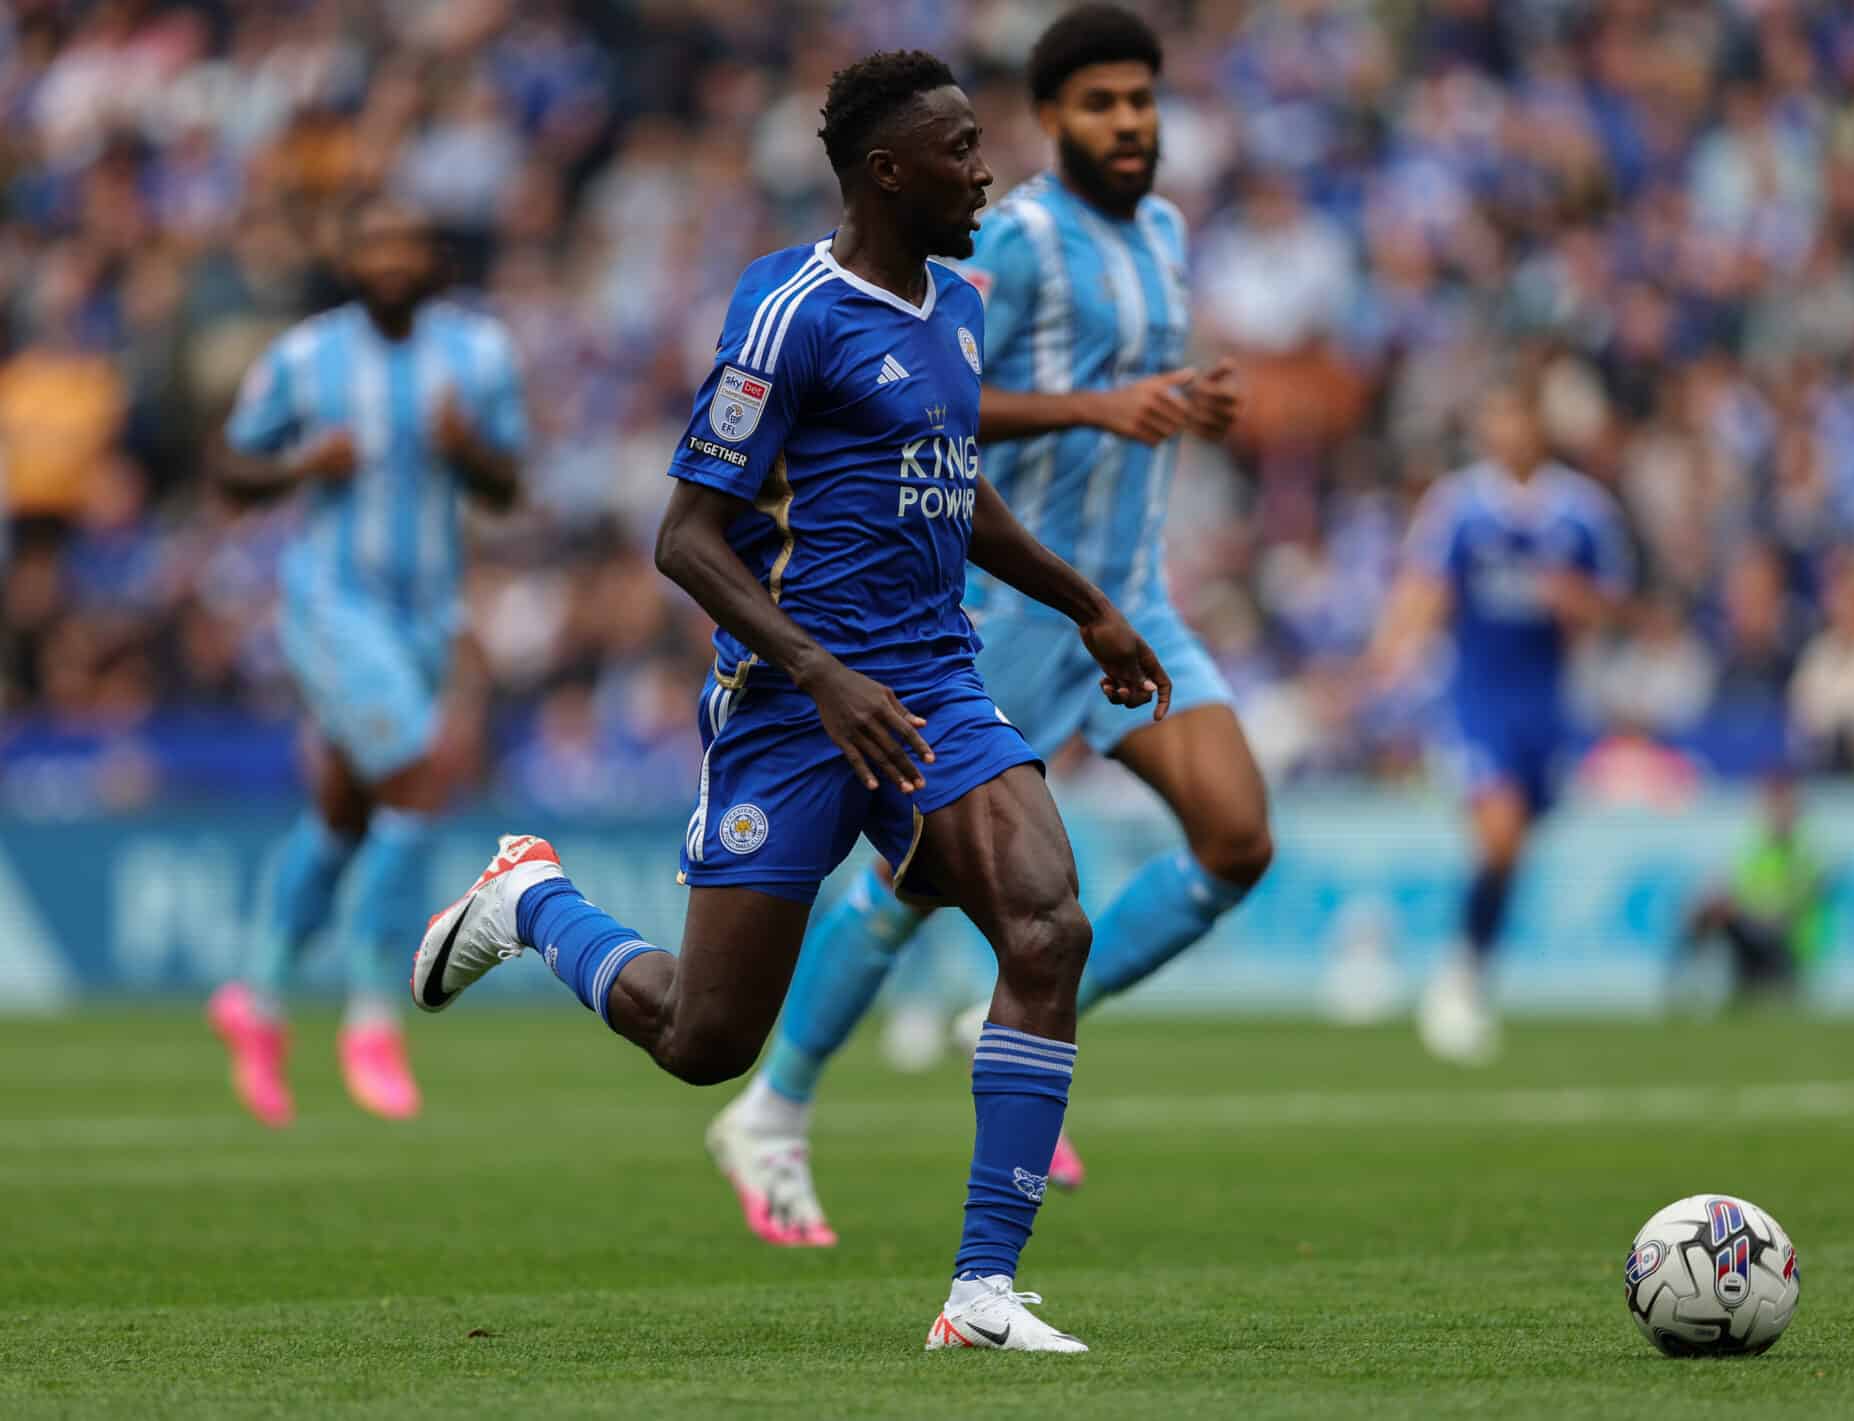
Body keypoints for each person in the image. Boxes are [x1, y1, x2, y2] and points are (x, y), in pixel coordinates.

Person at [411, 51, 1170, 1354]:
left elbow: (953, 485)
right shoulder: (791, 312)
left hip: (931, 682)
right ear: (888, 170)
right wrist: (821, 673)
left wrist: (1083, 600)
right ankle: (531, 897)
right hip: (789, 701)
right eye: (962, 150)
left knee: (1048, 927)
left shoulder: (961, 307)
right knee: (704, 1040)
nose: (986, 170)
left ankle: (980, 1293)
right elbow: (686, 538)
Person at [704, 4, 1272, 1248]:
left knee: (1234, 837)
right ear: (1054, 118)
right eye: (1101, 105)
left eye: (1142, 102)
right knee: (917, 885)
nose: (1130, 125)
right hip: (994, 610)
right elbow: (944, 413)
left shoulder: (1166, 233)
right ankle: (774, 1102)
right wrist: (1096, 407)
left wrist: (1171, 406)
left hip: (1124, 593)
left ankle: (1006, 1016)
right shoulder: (1003, 241)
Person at [207, 194, 523, 1127]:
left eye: (406, 242)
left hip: (428, 613)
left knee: (348, 811)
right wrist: (302, 465)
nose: (389, 259)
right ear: (350, 260)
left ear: (433, 259)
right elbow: (229, 469)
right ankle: (375, 1014)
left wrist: (470, 452)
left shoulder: (479, 355)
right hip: (330, 604)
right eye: (372, 242)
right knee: (420, 776)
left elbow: (509, 487)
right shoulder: (305, 358)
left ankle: (257, 999)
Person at [1362, 378, 1631, 1064]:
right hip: (1475, 696)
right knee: (1501, 833)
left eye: (1515, 416)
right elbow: (1425, 589)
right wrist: (1388, 656)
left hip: (1547, 702)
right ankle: (1459, 978)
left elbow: (1615, 609)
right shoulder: (1458, 506)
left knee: (1511, 851)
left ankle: (1464, 967)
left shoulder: (1582, 511)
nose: (1503, 431)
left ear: (1539, 425)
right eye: (1494, 417)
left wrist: (1576, 601)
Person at [1675, 771, 1828, 1002]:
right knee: (1706, 913)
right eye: (1774, 807)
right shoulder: (1756, 847)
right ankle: (1688, 986)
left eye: (1784, 807)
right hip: (1757, 921)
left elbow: (1808, 895)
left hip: (1792, 931)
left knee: (1760, 922)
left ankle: (1763, 982)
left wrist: (1769, 909)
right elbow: (1736, 887)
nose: (1778, 814)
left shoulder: (1810, 848)